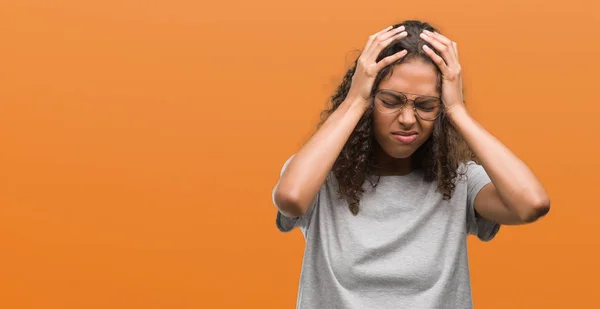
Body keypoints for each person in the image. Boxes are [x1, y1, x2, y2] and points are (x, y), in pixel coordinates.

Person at [271, 20, 550, 309]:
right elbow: (291, 199)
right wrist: (355, 99)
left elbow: (531, 204)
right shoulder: (321, 174)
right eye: (391, 101)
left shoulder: (459, 179)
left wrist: (457, 110)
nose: (407, 118)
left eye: (426, 106)